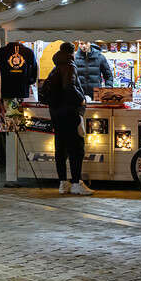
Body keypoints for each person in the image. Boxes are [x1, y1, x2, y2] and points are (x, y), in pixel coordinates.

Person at [44, 43, 93, 196]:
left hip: (56, 113)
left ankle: (62, 183)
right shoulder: (69, 66)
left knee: (60, 149)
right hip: (70, 113)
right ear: (72, 52)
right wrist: (81, 100)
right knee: (76, 149)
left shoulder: (56, 67)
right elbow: (69, 87)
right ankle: (76, 183)